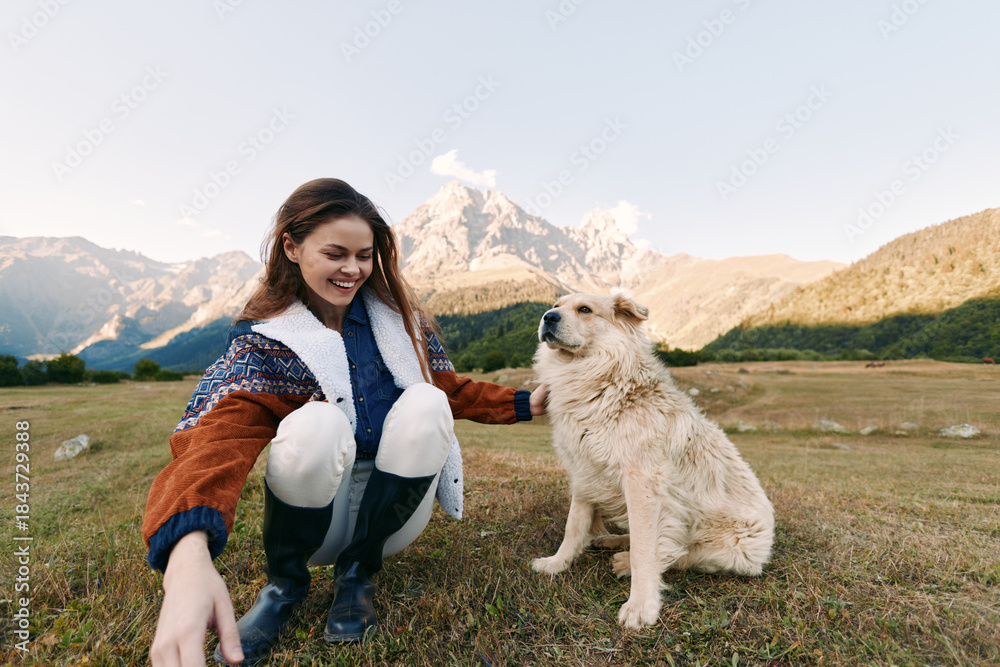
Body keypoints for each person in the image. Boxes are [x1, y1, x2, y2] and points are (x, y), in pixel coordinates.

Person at [144, 178, 546, 666]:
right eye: (336, 253)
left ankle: (358, 572)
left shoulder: (402, 324)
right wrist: (187, 555)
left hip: (393, 510)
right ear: (291, 246)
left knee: (426, 400)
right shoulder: (264, 342)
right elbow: (218, 436)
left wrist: (526, 403)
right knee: (317, 424)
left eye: (364, 255)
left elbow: (449, 389)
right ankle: (283, 587)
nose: (352, 269)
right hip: (316, 511)